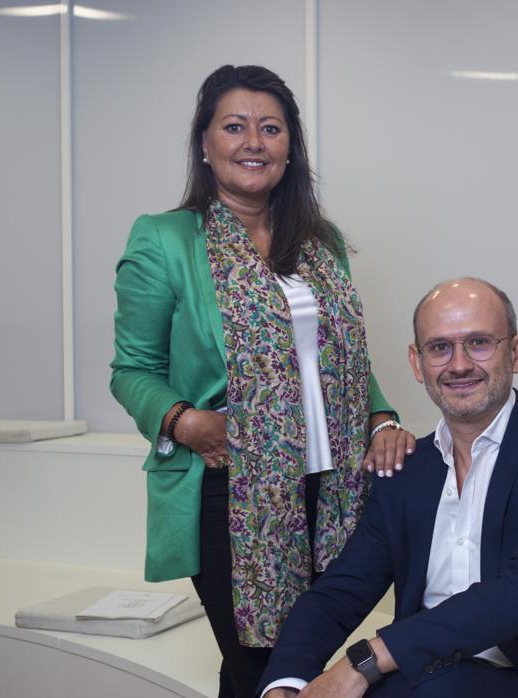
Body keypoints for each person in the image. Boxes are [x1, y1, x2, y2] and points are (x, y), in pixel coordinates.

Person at [110, 64, 416, 698]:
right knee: (260, 662)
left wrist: (381, 417)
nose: (254, 141)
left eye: (270, 128)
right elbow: (132, 369)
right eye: (234, 126)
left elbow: (343, 359)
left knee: (288, 660)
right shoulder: (166, 240)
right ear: (205, 142)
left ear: (289, 148)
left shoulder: (320, 240)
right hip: (230, 487)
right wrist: (181, 421)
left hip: (329, 486)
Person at [258, 278, 518, 698]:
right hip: (429, 677)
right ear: (418, 364)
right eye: (440, 348)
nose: (458, 365)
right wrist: (284, 683)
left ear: (517, 351)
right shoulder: (405, 469)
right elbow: (341, 591)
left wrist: (369, 659)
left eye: (478, 343)